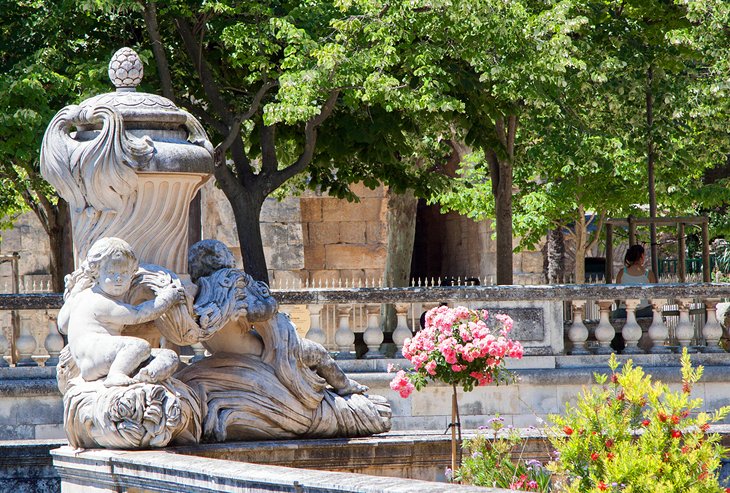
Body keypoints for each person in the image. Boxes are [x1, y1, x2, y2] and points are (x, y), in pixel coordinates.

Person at [58, 237, 184, 387]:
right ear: (96, 273)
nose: (118, 278)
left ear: (132, 274)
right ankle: (116, 374)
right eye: (111, 273)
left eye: (124, 273)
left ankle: (148, 374)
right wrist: (167, 298)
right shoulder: (100, 302)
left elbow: (62, 326)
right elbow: (138, 314)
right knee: (139, 347)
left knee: (168, 356)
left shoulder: (79, 297)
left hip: (97, 358)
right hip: (97, 356)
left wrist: (72, 295)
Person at [614, 244, 657, 318]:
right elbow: (653, 296)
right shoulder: (649, 274)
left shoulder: (621, 273)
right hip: (645, 311)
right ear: (642, 256)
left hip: (624, 311)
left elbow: (617, 295)